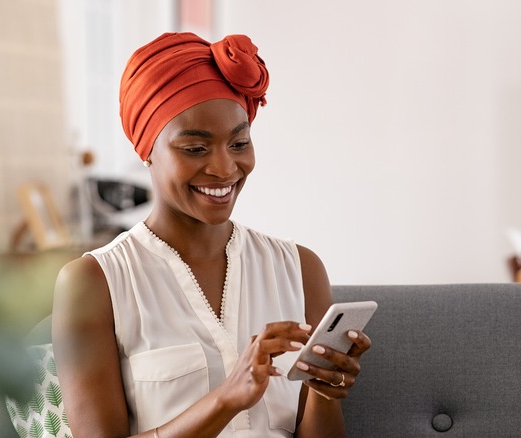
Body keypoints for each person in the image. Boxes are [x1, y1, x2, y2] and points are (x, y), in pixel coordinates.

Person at [52, 32, 371, 438]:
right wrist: (226, 398)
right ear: (147, 150)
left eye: (239, 143)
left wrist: (325, 393)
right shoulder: (93, 283)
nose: (224, 168)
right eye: (195, 149)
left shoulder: (300, 269)